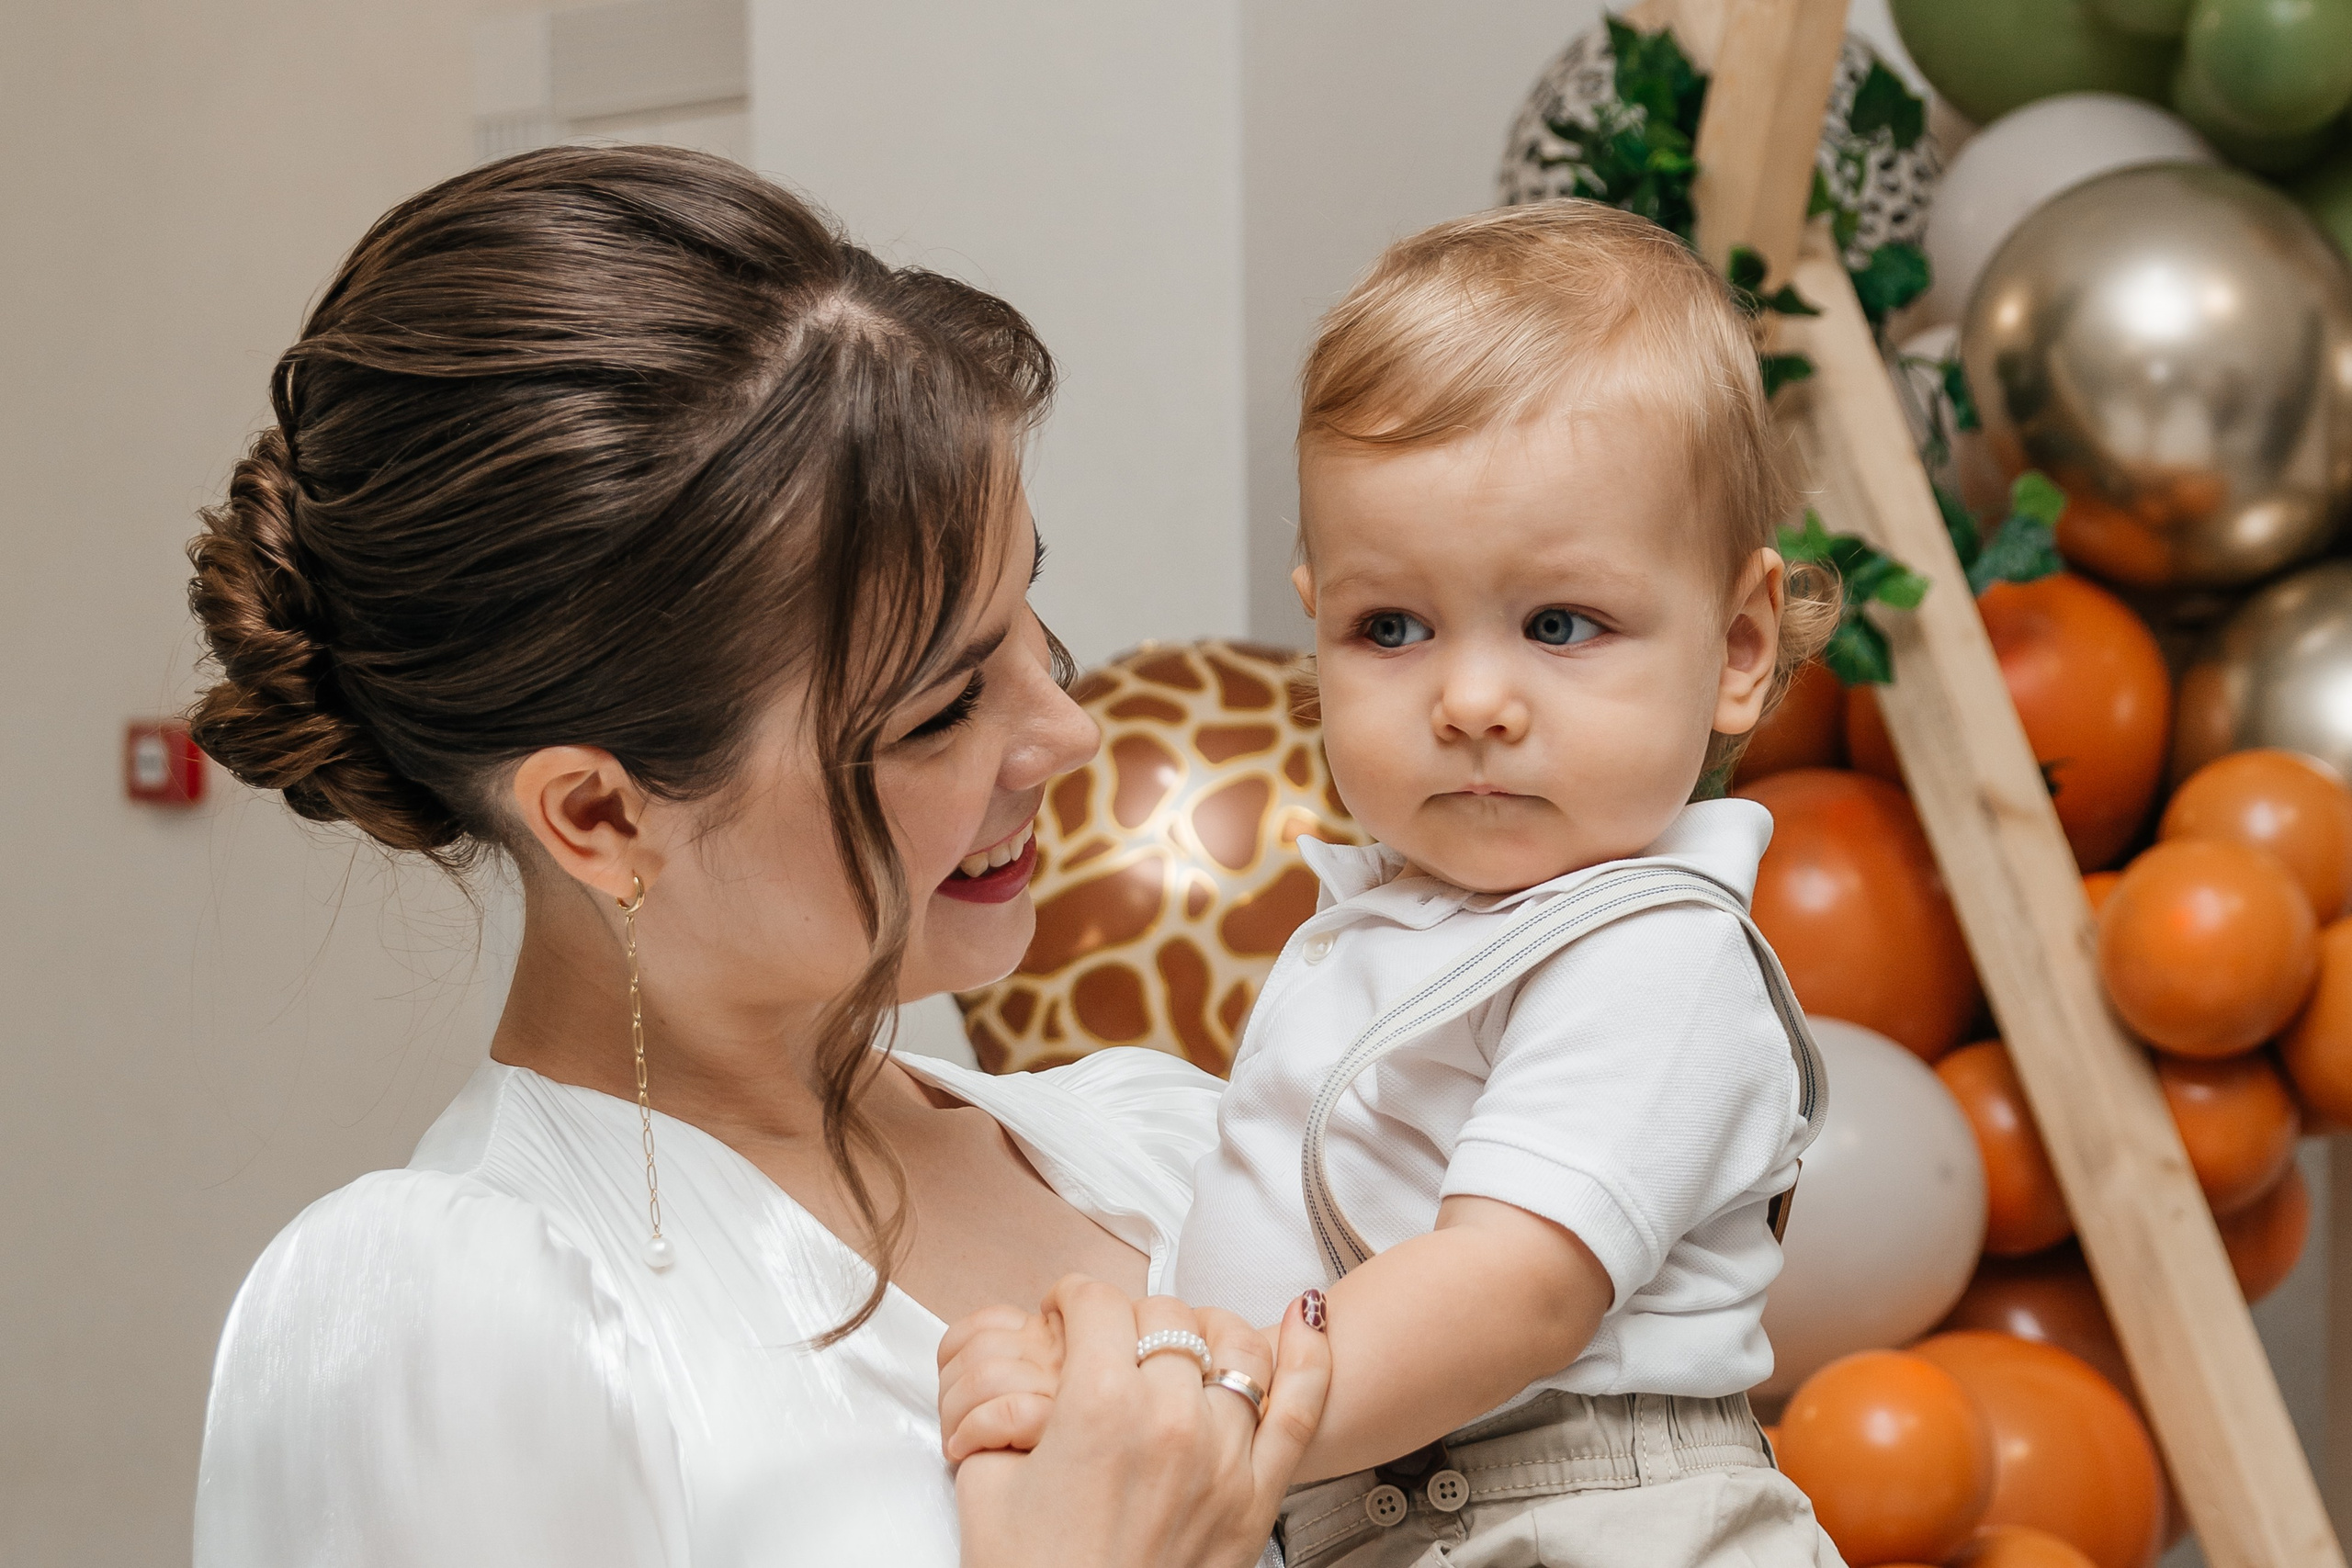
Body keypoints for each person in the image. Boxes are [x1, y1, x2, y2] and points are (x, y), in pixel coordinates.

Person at [185, 144, 1329, 1568]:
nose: (1067, 732)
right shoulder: (444, 1314)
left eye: (1029, 617)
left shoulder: (1162, 1147)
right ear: (599, 818)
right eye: (942, 708)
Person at [940, 202, 1849, 1566]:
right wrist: (1099, 1384)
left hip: (1586, 1519)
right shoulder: (1396, 922)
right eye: (1392, 627)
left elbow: (1513, 1290)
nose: (1471, 699)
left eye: (1559, 625)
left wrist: (1198, 1396)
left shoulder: (1655, 955)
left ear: (1736, 644)